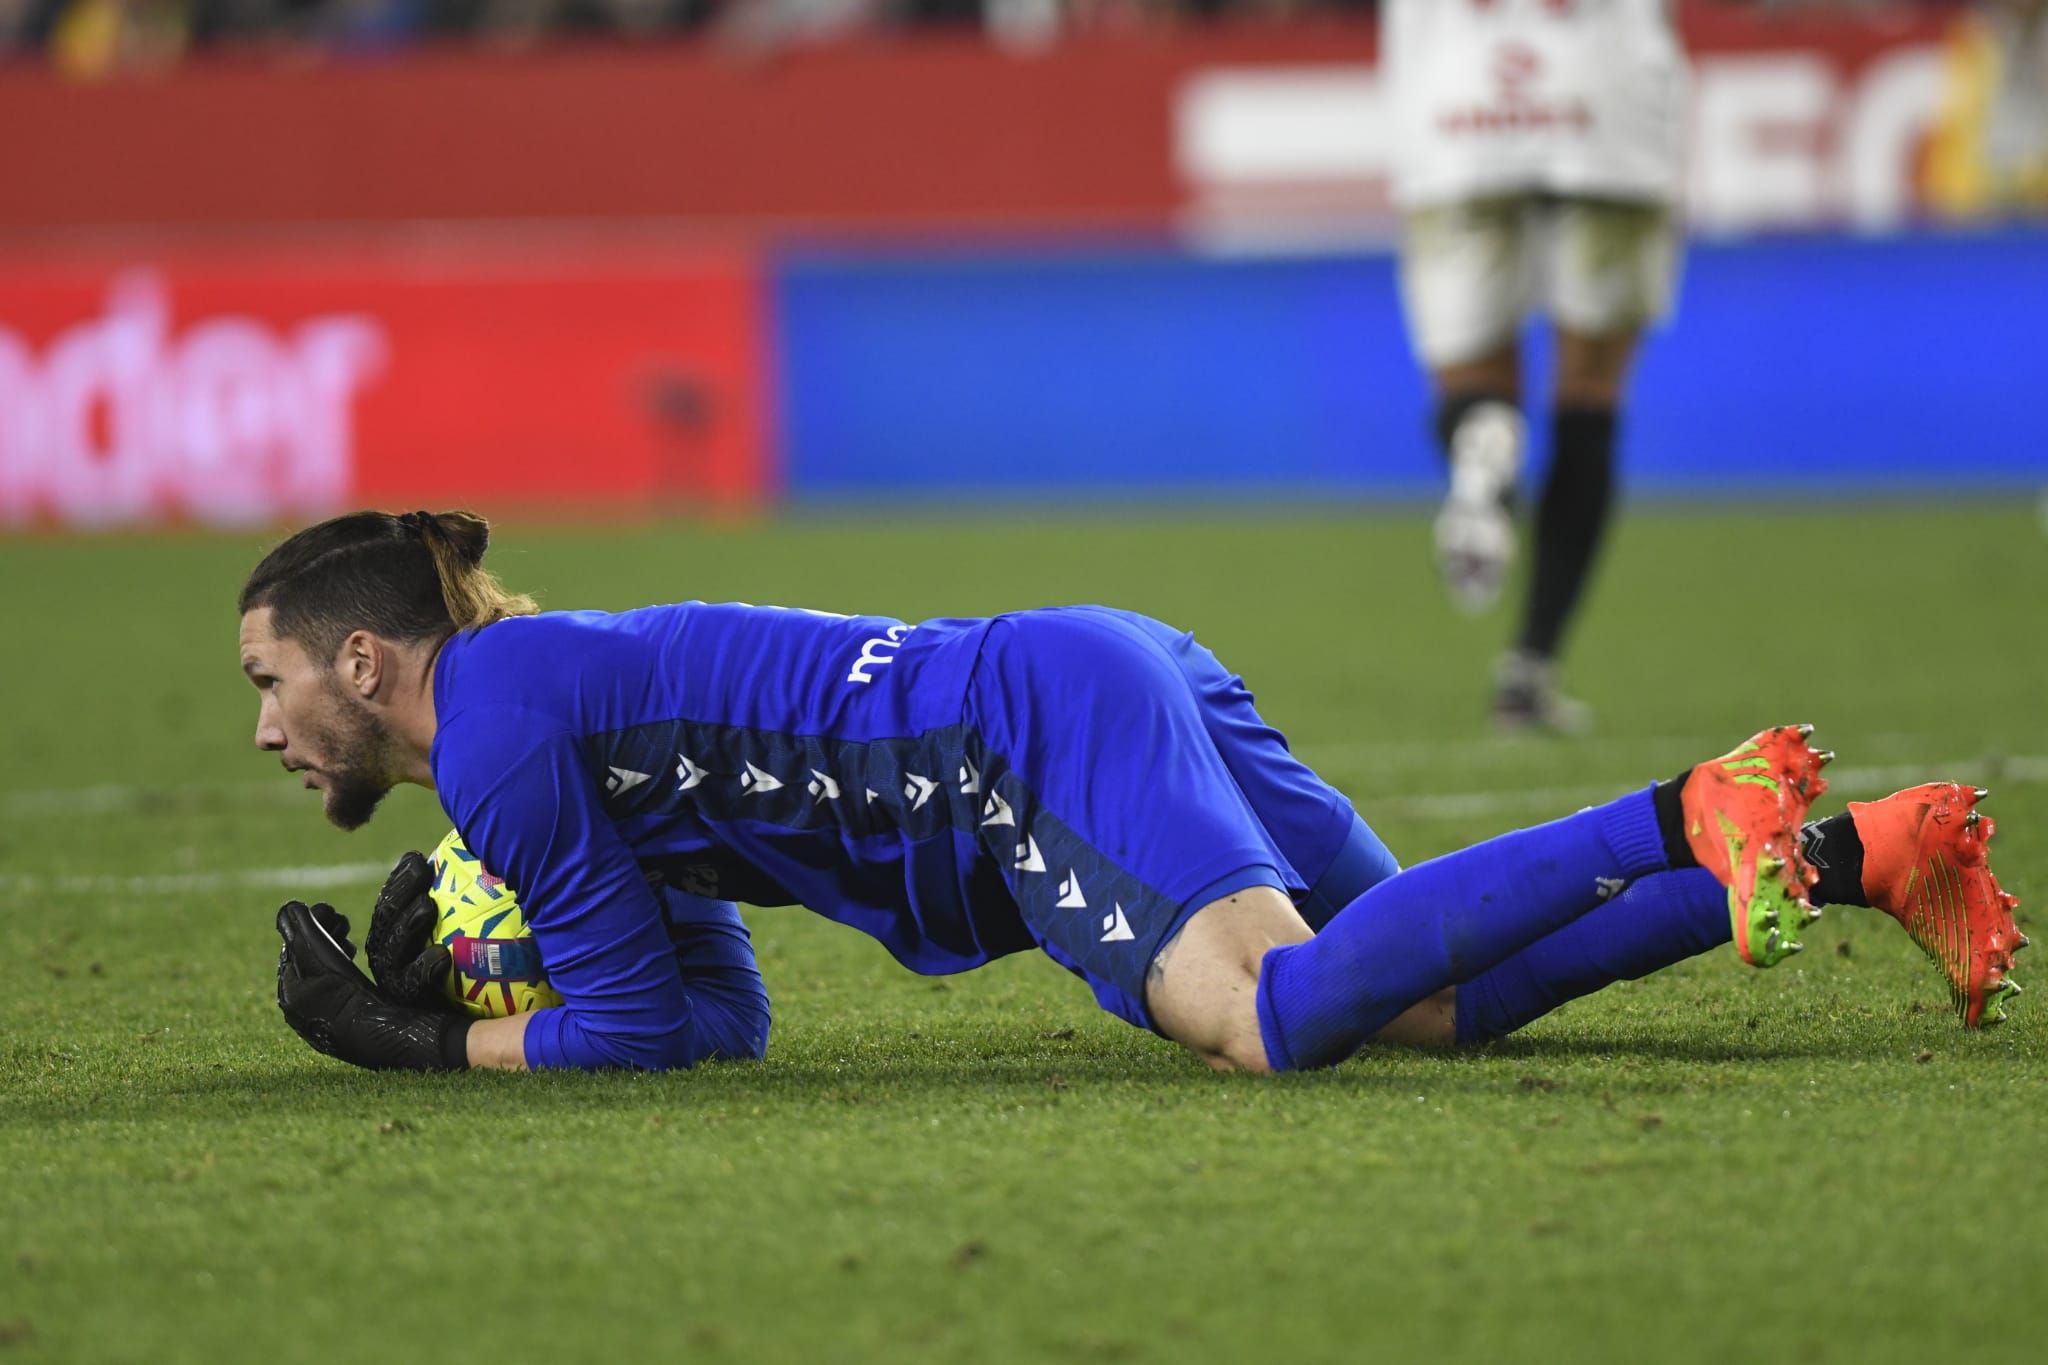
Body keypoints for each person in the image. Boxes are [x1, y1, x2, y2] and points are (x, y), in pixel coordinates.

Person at [242, 510, 2025, 1074]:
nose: (264, 728)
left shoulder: (497, 736)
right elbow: (711, 1020)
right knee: (1421, 1000)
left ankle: (1680, 810)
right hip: (1088, 668)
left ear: (366, 661)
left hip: (1019, 739)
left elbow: (630, 1037)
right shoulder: (529, 711)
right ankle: (1851, 853)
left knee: (1278, 1022)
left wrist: (417, 1042)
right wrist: (525, 970)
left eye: (270, 680)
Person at [1382, 0, 1689, 731]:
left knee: (1474, 386)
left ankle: (1483, 438)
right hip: (1606, 106)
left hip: (1458, 105)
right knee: (1589, 395)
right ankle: (1529, 668)